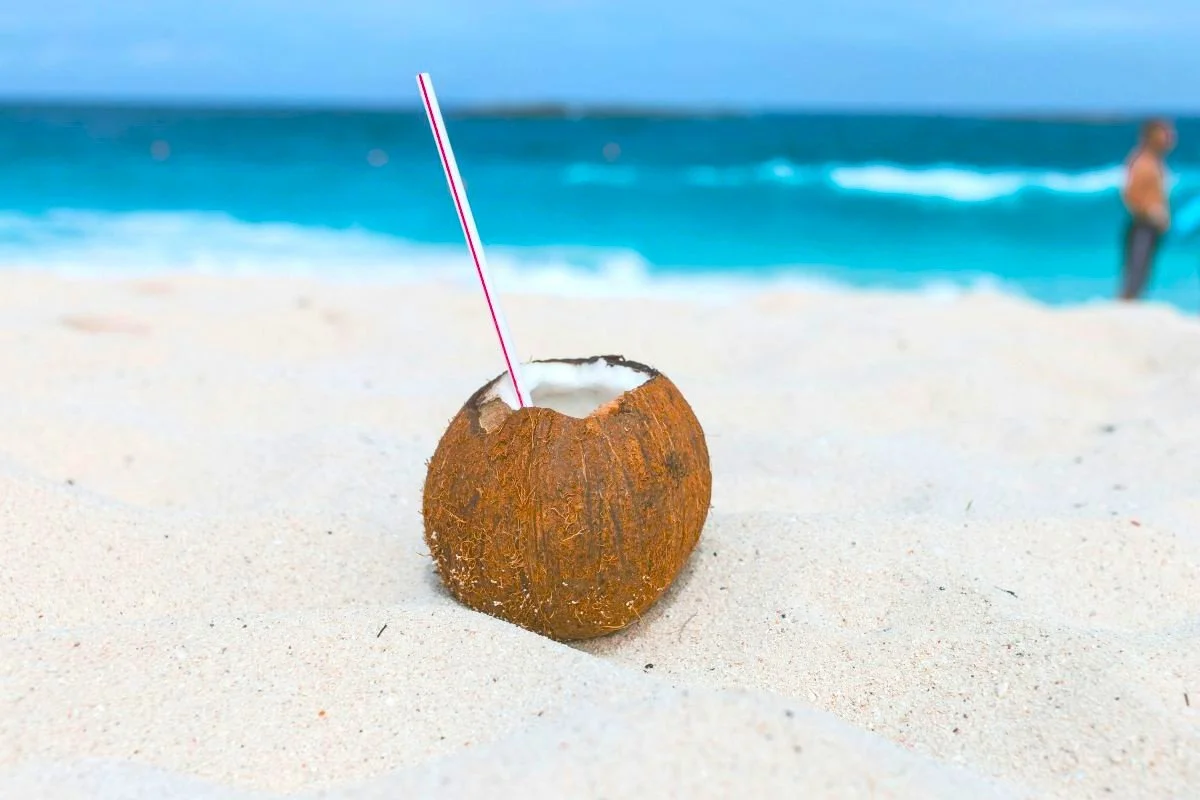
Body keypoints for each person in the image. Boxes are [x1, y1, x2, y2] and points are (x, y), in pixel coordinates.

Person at [1119, 118, 1176, 300]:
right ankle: (1125, 309)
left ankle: (1130, 308)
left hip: (1150, 226)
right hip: (1143, 225)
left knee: (1143, 274)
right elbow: (1131, 194)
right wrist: (1151, 212)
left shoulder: (1154, 161)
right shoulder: (1142, 161)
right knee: (1136, 273)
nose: (1170, 138)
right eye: (1165, 134)